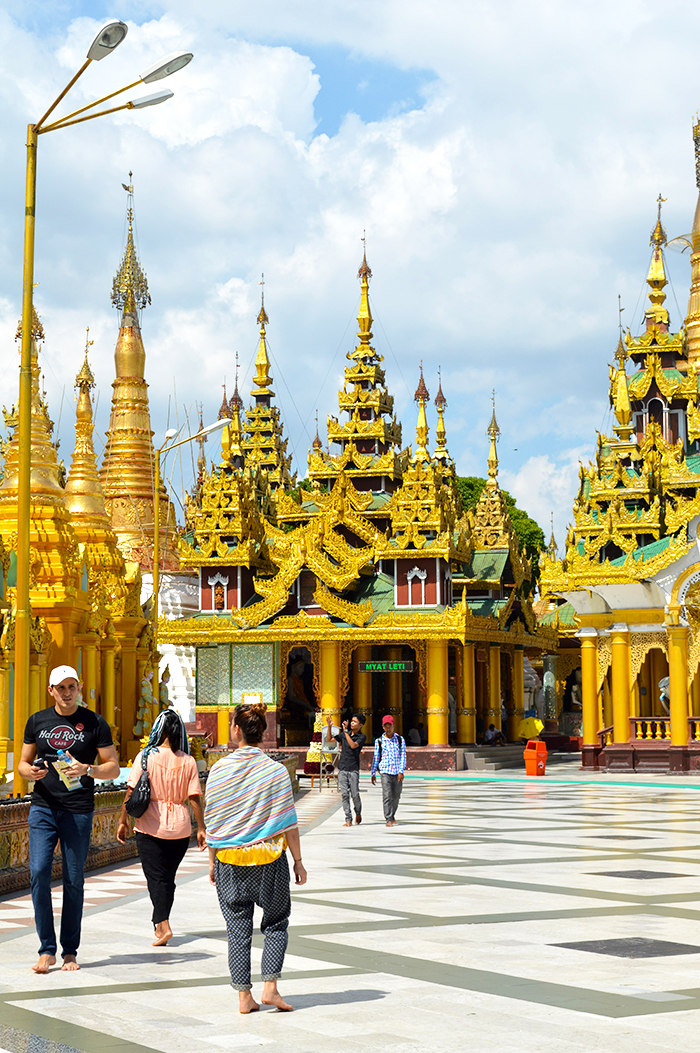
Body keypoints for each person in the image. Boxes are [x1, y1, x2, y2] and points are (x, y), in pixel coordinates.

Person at [205, 701, 307, 1014]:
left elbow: (213, 819)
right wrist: (298, 861)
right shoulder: (275, 772)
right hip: (269, 859)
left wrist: (211, 861)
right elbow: (288, 822)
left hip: (229, 859)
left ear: (236, 729)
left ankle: (243, 997)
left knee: (237, 930)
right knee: (276, 923)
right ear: (263, 732)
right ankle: (271, 989)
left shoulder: (219, 769)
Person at [19, 664, 121, 974]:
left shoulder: (94, 723)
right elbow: (23, 763)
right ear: (51, 690)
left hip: (78, 808)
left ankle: (70, 952)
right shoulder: (37, 721)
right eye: (60, 687)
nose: (66, 693)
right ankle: (46, 949)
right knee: (38, 873)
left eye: (71, 687)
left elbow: (113, 767)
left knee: (74, 880)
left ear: (79, 688)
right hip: (43, 807)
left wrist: (87, 769)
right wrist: (30, 772)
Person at [117, 708, 206, 946]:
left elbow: (131, 790)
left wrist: (123, 820)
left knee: (155, 877)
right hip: (179, 827)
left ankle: (163, 923)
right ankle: (161, 924)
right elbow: (195, 797)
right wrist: (201, 829)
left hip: (149, 824)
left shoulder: (146, 756)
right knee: (167, 878)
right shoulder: (187, 761)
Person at [325, 713, 367, 827]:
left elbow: (353, 745)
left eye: (355, 722)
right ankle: (348, 818)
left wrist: (345, 732)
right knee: (344, 794)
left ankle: (358, 812)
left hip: (353, 769)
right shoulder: (345, 734)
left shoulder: (361, 737)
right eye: (352, 721)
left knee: (355, 794)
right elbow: (329, 740)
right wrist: (329, 726)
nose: (352, 723)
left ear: (361, 725)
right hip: (342, 767)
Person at [371, 715, 406, 827]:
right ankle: (388, 818)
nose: (388, 728)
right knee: (387, 795)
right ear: (383, 727)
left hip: (396, 771)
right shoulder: (379, 741)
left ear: (394, 726)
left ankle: (392, 814)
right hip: (385, 771)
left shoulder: (400, 740)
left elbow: (403, 756)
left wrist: (401, 771)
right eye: (386, 726)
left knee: (396, 796)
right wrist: (373, 772)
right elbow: (376, 757)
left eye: (390, 726)